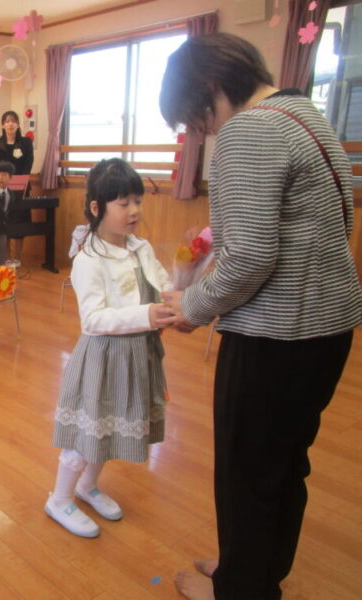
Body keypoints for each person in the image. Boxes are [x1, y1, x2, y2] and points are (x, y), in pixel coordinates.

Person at [157, 33, 362, 600]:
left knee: (245, 474)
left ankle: (239, 591)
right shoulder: (305, 114)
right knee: (284, 465)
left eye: (197, 120)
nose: (204, 133)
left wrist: (192, 307)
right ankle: (253, 573)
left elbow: (249, 256)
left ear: (212, 87)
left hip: (275, 337)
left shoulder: (249, 130)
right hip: (327, 329)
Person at [45, 158, 173, 538]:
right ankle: (59, 499)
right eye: (123, 203)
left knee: (111, 428)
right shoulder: (89, 258)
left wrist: (179, 298)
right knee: (89, 432)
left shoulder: (141, 247)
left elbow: (163, 284)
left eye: (138, 201)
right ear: (97, 207)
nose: (134, 211)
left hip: (138, 356)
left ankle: (87, 486)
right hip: (104, 359)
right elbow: (93, 320)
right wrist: (147, 314)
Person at [0, 110, 34, 266]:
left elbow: (28, 164)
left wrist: (18, 181)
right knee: (4, 223)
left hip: (22, 188)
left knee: (20, 223)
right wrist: (3, 180)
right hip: (2, 189)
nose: (10, 124)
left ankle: (18, 258)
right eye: (7, 121)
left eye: (13, 121)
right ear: (2, 125)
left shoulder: (26, 143)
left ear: (18, 124)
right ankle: (7, 257)